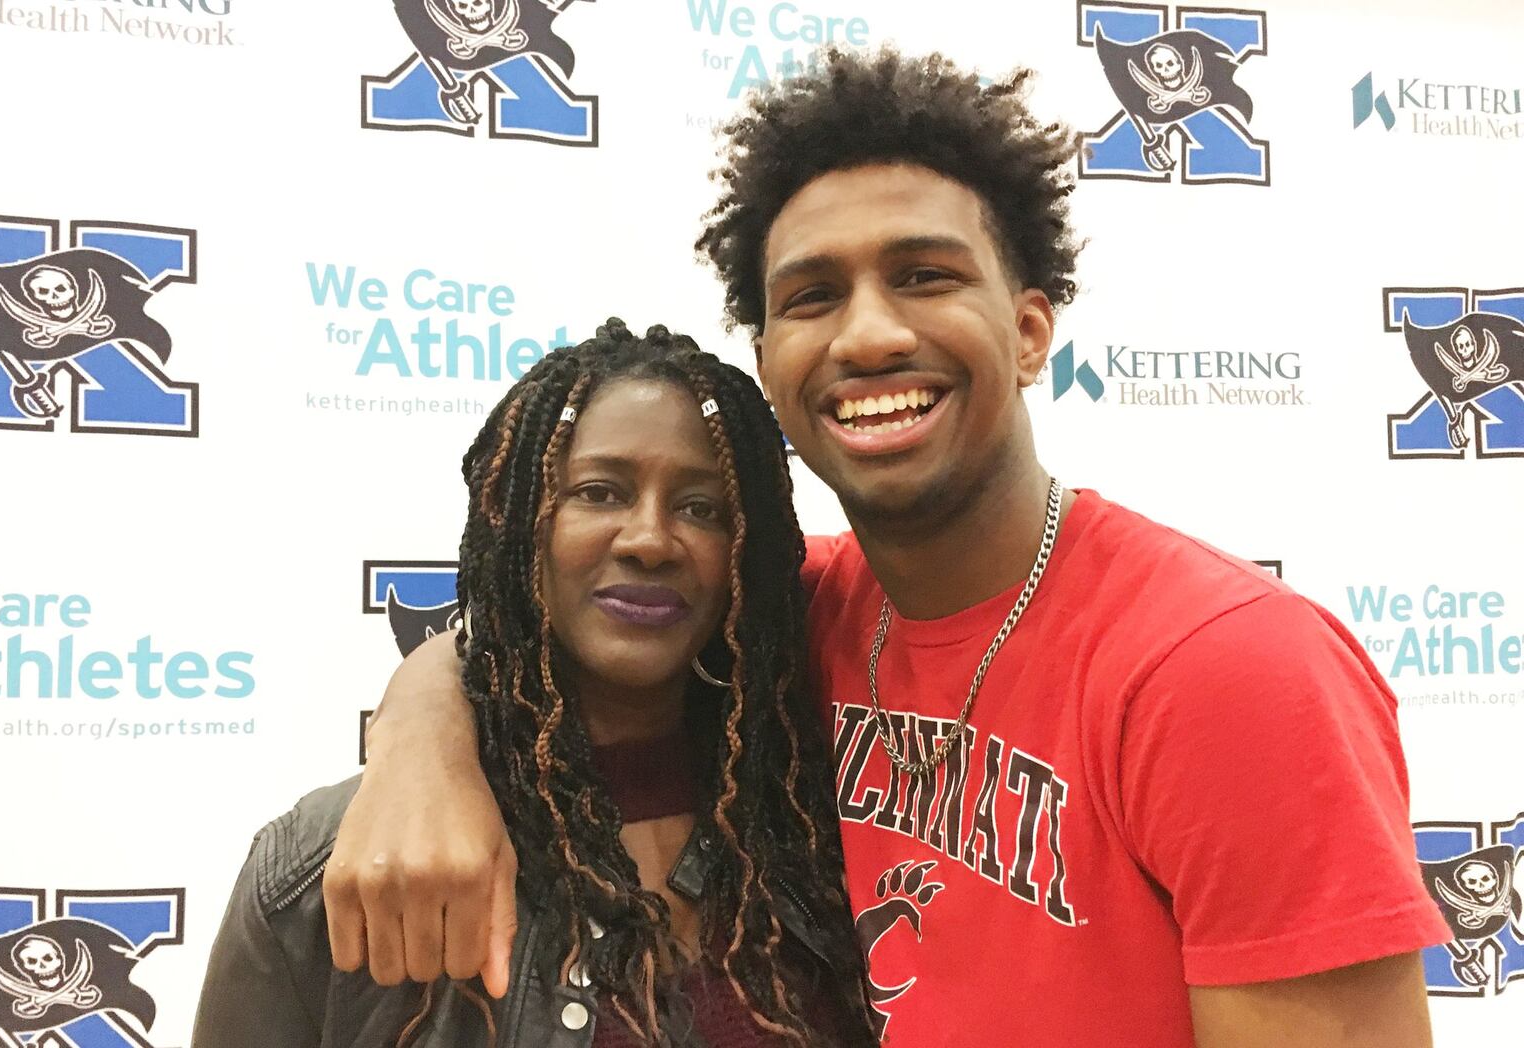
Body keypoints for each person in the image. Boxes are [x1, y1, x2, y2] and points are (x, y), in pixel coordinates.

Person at [325, 50, 1452, 1047]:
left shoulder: (1227, 669)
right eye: (814, 295)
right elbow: (544, 623)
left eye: (923, 275)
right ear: (768, 366)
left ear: (1027, 329)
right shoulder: (797, 607)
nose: (868, 334)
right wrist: (419, 731)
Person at [191, 321, 876, 1048]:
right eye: (600, 492)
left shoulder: (826, 818)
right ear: (520, 526)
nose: (649, 539)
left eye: (701, 508)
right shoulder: (327, 866)